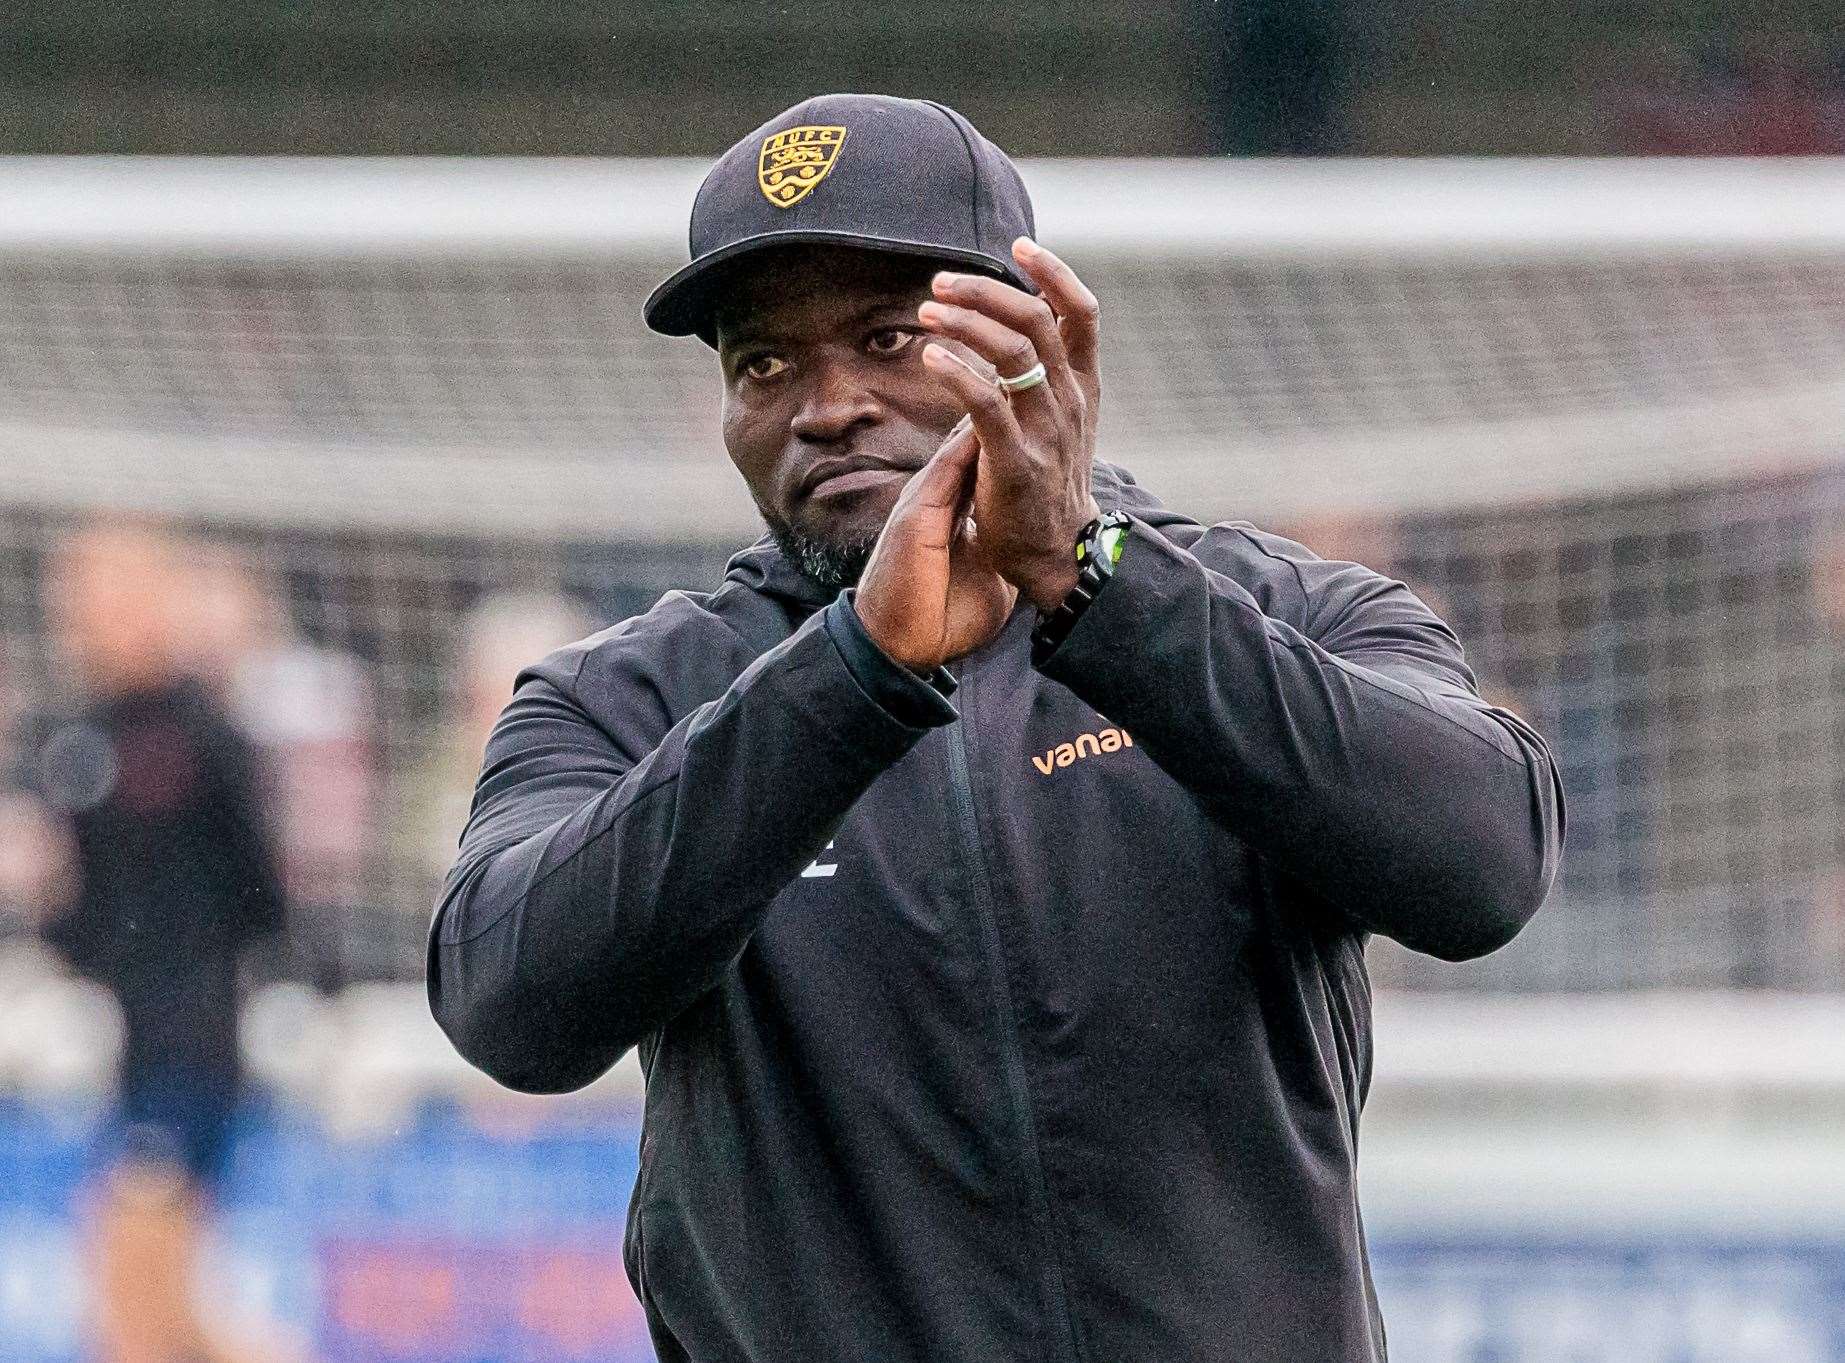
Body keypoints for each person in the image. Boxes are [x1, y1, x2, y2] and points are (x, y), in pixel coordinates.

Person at [428, 93, 1567, 1363]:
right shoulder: (620, 698)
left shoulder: (1278, 610)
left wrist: (1101, 584)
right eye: (764, 363)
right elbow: (509, 1008)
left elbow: (1486, 867)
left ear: (1032, 335)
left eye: (889, 335)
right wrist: (852, 675)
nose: (827, 404)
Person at [24, 521, 300, 1363]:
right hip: (125, 1048)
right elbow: (75, 913)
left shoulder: (203, 732)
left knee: (137, 1304)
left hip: (191, 1045)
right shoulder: (71, 736)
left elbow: (264, 891)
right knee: (149, 1316)